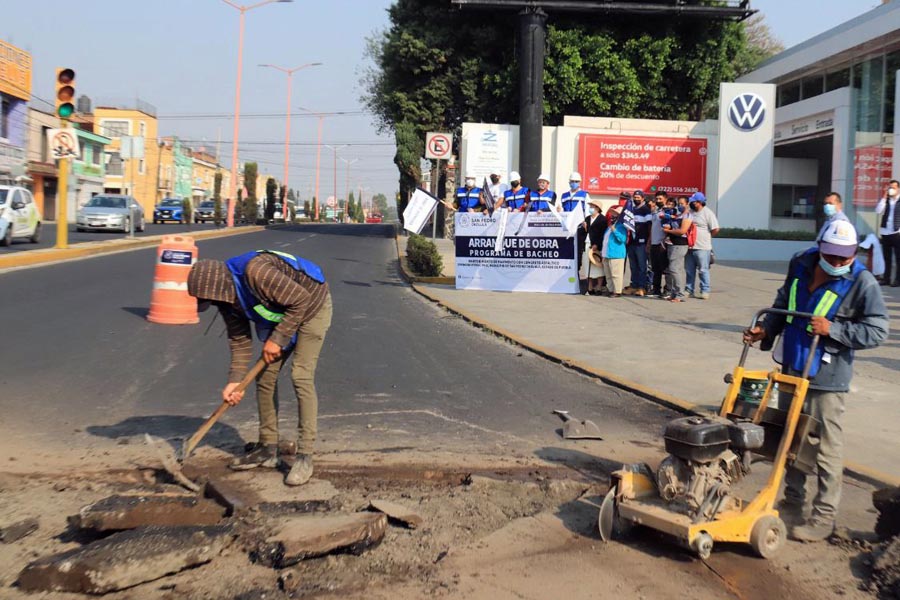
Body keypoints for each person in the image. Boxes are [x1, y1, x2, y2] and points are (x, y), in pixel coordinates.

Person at [743, 221, 888, 542]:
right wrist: (767, 329)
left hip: (826, 377)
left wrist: (833, 330)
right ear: (819, 246)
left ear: (854, 254)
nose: (837, 263)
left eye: (844, 258)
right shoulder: (800, 263)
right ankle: (792, 503)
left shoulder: (862, 282)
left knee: (825, 448)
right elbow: (784, 302)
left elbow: (878, 330)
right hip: (793, 366)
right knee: (791, 439)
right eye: (831, 255)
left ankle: (824, 518)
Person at [186, 250, 333, 487]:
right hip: (286, 311)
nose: (213, 305)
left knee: (301, 376)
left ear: (218, 288)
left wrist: (279, 338)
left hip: (312, 307)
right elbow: (239, 340)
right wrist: (235, 380)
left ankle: (305, 456)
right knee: (264, 377)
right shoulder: (227, 301)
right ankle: (267, 448)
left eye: (211, 299)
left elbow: (301, 300)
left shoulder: (257, 272)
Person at [684, 192, 720, 300]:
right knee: (689, 270)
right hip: (690, 246)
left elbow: (716, 229)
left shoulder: (708, 213)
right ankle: (689, 290)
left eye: (693, 202)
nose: (691, 203)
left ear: (699, 202)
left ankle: (705, 290)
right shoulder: (690, 212)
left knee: (703, 270)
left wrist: (707, 237)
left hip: (702, 247)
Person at [662, 195, 693, 303]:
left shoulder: (688, 216)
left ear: (687, 204)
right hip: (672, 243)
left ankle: (680, 294)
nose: (680, 206)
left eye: (682, 204)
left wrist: (668, 231)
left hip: (680, 244)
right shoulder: (678, 215)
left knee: (675, 269)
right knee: (674, 269)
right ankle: (674, 293)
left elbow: (682, 231)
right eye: (678, 204)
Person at [560, 171, 589, 275]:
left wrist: (586, 221)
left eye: (576, 181)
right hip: (568, 226)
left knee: (578, 250)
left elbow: (587, 209)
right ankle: (567, 271)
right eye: (572, 181)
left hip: (579, 226)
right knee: (567, 248)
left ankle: (576, 271)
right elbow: (562, 209)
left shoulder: (584, 195)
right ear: (569, 182)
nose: (574, 183)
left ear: (579, 183)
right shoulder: (564, 195)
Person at [624, 190, 652, 297]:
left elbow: (650, 227)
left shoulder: (646, 210)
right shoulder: (631, 210)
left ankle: (642, 287)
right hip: (631, 242)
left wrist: (649, 241)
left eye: (638, 197)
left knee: (641, 266)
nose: (636, 199)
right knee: (633, 266)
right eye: (635, 197)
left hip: (642, 242)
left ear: (643, 198)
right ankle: (634, 285)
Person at [875, 179, 900, 286]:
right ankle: (886, 279)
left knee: (899, 258)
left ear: (898, 189)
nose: (891, 190)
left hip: (897, 232)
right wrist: (884, 198)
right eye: (890, 187)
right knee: (887, 258)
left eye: (894, 188)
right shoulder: (886, 201)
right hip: (885, 232)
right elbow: (878, 211)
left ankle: (898, 280)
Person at [648, 192, 672, 298]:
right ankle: (656, 290)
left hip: (662, 244)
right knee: (655, 268)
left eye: (660, 199)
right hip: (654, 243)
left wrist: (665, 241)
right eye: (656, 199)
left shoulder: (668, 211)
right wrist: (649, 242)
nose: (658, 201)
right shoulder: (655, 211)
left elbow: (670, 228)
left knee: (666, 269)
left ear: (665, 199)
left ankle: (668, 290)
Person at [582, 198, 607, 295]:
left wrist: (597, 244)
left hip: (596, 246)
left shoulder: (602, 219)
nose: (590, 208)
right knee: (587, 265)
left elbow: (602, 234)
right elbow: (584, 232)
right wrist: (583, 227)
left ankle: (599, 287)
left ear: (597, 208)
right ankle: (590, 286)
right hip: (587, 244)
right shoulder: (587, 218)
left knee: (597, 266)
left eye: (592, 206)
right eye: (590, 206)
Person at [602, 206, 628, 298]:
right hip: (607, 253)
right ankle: (611, 289)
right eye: (613, 213)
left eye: (615, 214)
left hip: (616, 253)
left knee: (616, 274)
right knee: (608, 274)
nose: (613, 215)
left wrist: (615, 231)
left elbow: (622, 239)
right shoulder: (610, 226)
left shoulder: (621, 226)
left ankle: (617, 291)